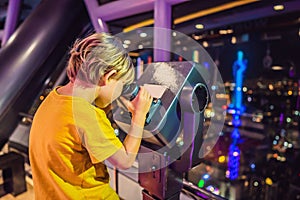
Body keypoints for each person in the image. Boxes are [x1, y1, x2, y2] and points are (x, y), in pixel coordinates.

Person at [29, 32, 153, 199]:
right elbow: (125, 161)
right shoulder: (86, 115)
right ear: (108, 76)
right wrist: (139, 115)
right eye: (121, 85)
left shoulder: (54, 99)